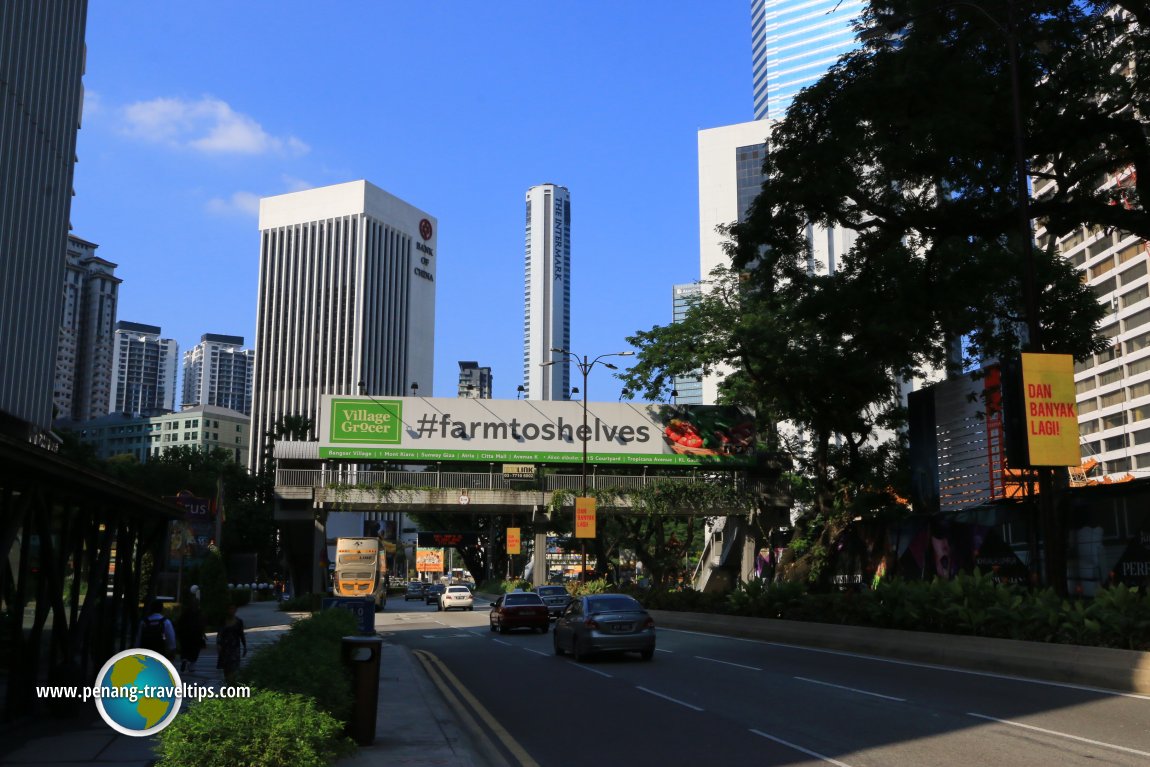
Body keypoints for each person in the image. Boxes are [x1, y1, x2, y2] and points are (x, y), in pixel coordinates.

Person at [216, 603, 247, 685]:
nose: (231, 611)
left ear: (236, 610)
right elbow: (219, 633)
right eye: (229, 609)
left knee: (234, 667)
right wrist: (218, 644)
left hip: (235, 648)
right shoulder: (223, 621)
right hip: (225, 648)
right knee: (226, 667)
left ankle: (232, 684)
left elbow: (241, 634)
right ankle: (228, 683)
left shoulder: (239, 622)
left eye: (233, 609)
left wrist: (244, 646)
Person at [176, 597, 207, 673]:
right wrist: (203, 633)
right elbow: (202, 624)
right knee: (195, 650)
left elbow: (179, 623)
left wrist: (179, 633)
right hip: (196, 635)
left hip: (185, 634)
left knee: (185, 648)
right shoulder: (199, 613)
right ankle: (192, 666)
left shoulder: (185, 613)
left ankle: (184, 659)